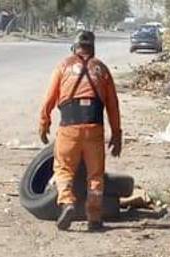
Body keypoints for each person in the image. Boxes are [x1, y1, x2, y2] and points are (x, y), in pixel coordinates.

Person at [38, 30, 122, 231]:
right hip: (94, 128)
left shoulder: (63, 66)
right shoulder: (102, 69)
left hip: (69, 128)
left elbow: (49, 98)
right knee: (95, 174)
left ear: (74, 47)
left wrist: (44, 123)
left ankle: (67, 202)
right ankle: (94, 218)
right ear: (92, 48)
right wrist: (117, 134)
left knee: (64, 169)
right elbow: (113, 105)